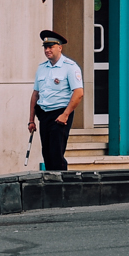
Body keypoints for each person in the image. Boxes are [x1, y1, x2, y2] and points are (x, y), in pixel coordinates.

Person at [28, 30, 84, 172]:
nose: (47, 50)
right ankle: (51, 187)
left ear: (60, 47)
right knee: (46, 153)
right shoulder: (42, 68)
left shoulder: (70, 67)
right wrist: (31, 120)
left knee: (56, 154)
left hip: (60, 114)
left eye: (51, 46)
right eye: (45, 47)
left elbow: (78, 93)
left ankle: (61, 187)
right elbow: (35, 94)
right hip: (44, 114)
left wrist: (65, 114)